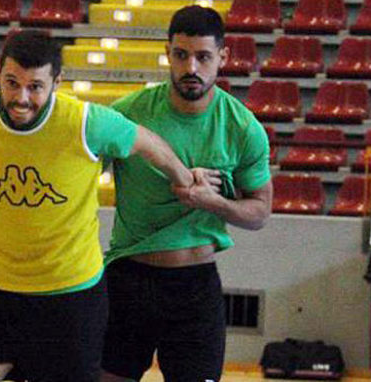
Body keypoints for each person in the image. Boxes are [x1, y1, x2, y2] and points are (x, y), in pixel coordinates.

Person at [0, 30, 194, 382]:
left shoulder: (85, 122)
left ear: (57, 82)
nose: (21, 98)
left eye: (35, 87)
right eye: (12, 83)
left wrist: (184, 179)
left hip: (70, 301)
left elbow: (148, 143)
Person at [100, 6, 274, 382]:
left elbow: (260, 212)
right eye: (181, 55)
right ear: (168, 53)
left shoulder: (242, 127)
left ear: (222, 58)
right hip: (128, 278)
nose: (191, 67)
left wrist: (215, 203)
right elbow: (77, 174)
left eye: (203, 57)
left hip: (195, 288)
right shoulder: (127, 115)